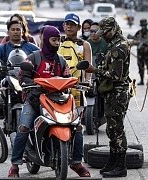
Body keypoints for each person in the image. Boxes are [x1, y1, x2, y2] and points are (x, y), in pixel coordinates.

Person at [8, 25, 71, 177]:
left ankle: (76, 162)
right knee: (23, 127)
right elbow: (23, 75)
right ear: (46, 40)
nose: (57, 43)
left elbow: (68, 77)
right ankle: (15, 164)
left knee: (77, 127)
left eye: (59, 40)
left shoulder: (62, 61)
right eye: (54, 40)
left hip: (56, 101)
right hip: (34, 100)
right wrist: (32, 86)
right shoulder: (33, 58)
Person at [0, 20, 40, 151]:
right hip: (7, 79)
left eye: (18, 29)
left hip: (25, 81)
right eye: (13, 29)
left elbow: (41, 56)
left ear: (23, 32)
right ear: (8, 32)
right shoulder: (3, 47)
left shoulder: (30, 47)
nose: (16, 32)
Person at [82, 16, 131, 178]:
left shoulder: (119, 47)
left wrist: (94, 70)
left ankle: (121, 165)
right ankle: (113, 160)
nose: (104, 35)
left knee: (117, 129)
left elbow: (116, 75)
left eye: (106, 32)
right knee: (111, 129)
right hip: (111, 92)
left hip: (117, 93)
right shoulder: (114, 44)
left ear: (114, 29)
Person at [59, 12, 92, 177]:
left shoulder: (84, 45)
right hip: (56, 91)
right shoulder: (56, 42)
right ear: (63, 26)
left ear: (79, 27)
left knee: (78, 127)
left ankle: (77, 162)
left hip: (77, 93)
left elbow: (88, 69)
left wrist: (87, 82)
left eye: (72, 24)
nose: (69, 26)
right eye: (67, 24)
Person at [133, 19, 148, 85]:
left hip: (147, 54)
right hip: (140, 53)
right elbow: (134, 41)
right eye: (142, 25)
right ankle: (141, 80)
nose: (143, 27)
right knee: (140, 67)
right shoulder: (138, 33)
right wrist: (136, 42)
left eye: (144, 25)